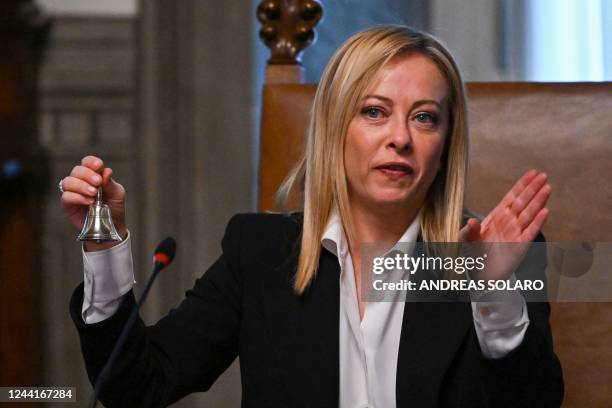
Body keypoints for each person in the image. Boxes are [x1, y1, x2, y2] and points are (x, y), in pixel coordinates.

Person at [61, 26, 563, 407]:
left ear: (446, 144)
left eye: (425, 117)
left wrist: (492, 292)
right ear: (333, 128)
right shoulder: (258, 252)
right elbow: (138, 385)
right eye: (373, 111)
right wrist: (104, 247)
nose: (401, 138)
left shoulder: (491, 255)